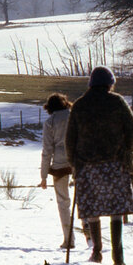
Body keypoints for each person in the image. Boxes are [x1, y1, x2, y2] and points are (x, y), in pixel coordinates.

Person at [65, 66, 133, 265]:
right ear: (109, 83)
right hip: (115, 164)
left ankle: (97, 252)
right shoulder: (117, 102)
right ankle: (119, 257)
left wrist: (74, 163)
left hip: (87, 165)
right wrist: (126, 152)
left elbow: (70, 139)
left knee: (92, 210)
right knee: (116, 210)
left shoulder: (80, 105)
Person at [39, 93, 76, 249]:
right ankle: (89, 232)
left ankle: (68, 239)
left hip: (59, 165)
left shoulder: (50, 122)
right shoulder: (75, 116)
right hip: (78, 161)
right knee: (83, 199)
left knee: (63, 203)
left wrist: (43, 176)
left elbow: (47, 150)